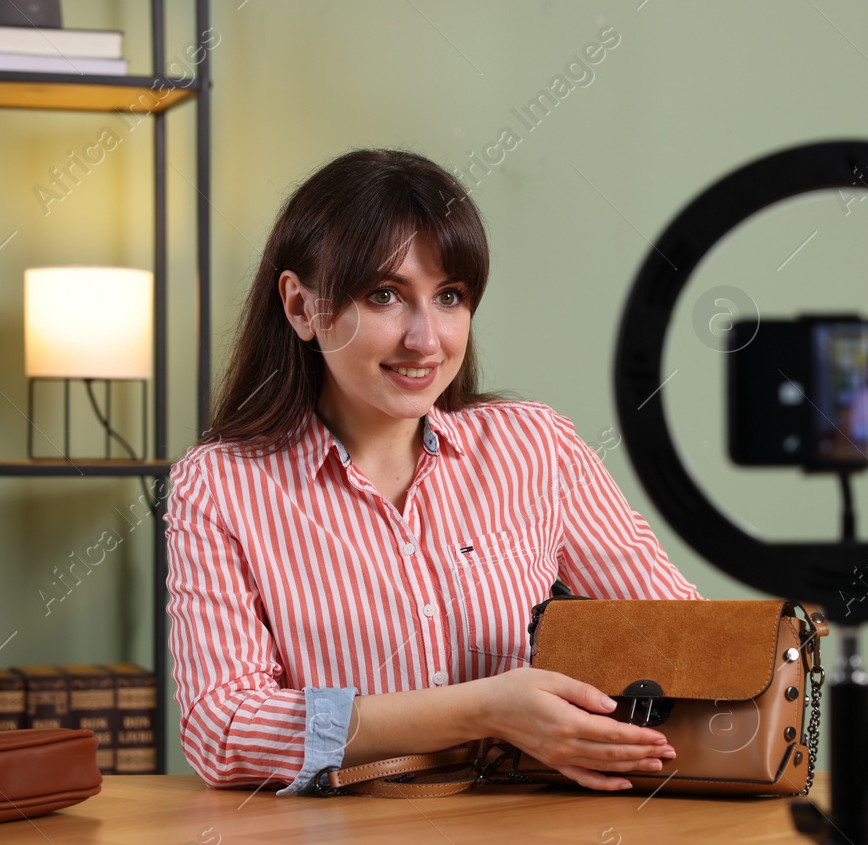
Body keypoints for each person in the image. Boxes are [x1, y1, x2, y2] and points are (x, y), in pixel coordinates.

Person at [165, 149, 702, 796]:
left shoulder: (535, 446)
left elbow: (685, 642)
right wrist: (483, 708)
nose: (426, 339)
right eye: (385, 295)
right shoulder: (220, 485)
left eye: (449, 297)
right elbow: (225, 730)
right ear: (301, 307)